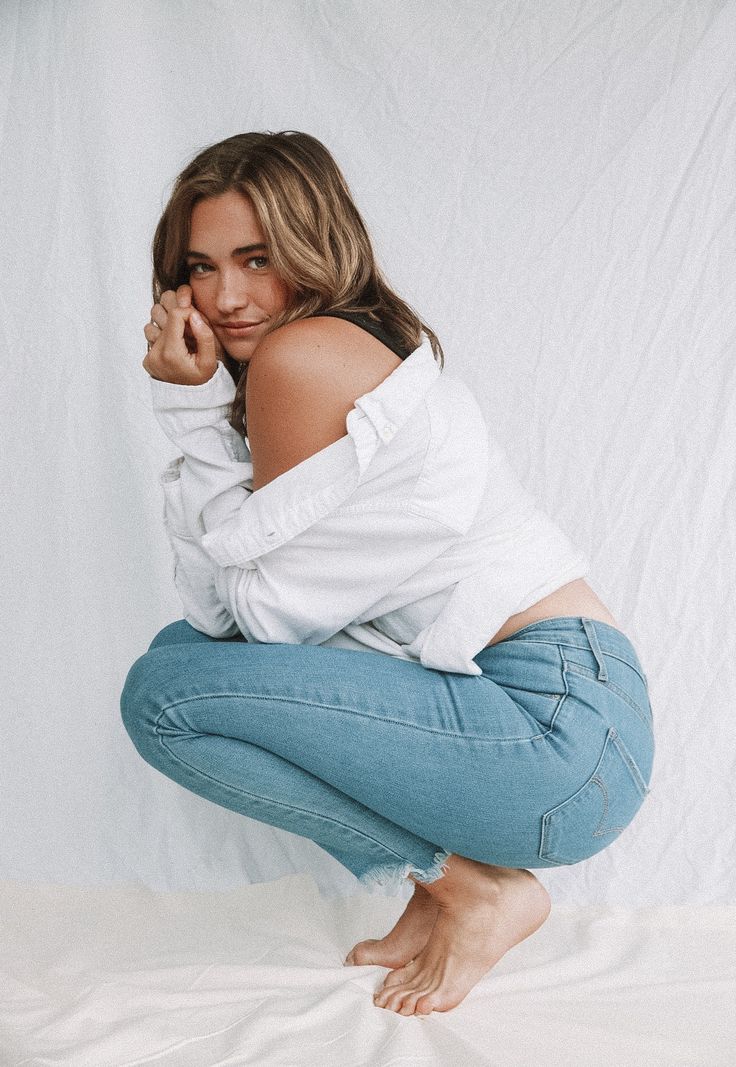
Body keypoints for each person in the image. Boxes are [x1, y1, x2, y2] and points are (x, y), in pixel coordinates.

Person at [120, 131, 655, 1017]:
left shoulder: (299, 358)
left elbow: (256, 624)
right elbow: (225, 617)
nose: (226, 297)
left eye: (256, 259)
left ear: (311, 244)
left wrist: (188, 408)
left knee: (163, 696)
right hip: (569, 714)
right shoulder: (339, 344)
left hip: (552, 727)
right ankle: (449, 886)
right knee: (180, 659)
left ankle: (473, 889)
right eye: (200, 268)